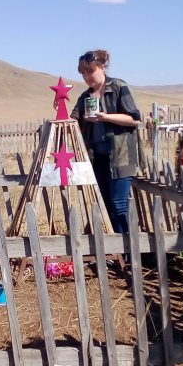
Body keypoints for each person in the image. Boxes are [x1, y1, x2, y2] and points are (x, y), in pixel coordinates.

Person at [70, 49, 141, 234]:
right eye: (83, 73)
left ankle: (127, 253)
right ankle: (113, 253)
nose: (86, 77)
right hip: (97, 159)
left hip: (121, 157)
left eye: (90, 71)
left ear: (102, 66)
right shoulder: (85, 97)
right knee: (104, 205)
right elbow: (72, 121)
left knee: (119, 206)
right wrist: (59, 106)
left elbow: (134, 119)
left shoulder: (117, 87)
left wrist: (105, 117)